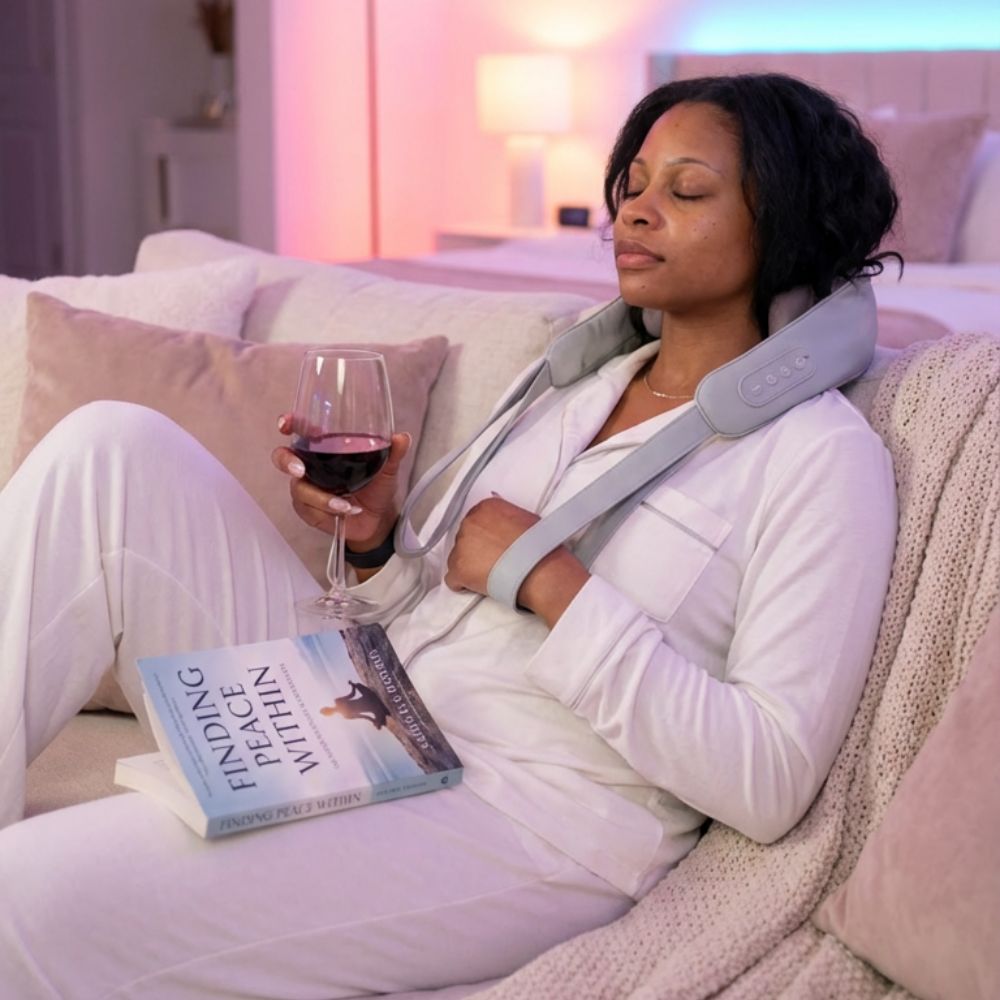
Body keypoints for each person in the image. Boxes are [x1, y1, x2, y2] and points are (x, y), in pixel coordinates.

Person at [0, 73, 899, 998]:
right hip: (381, 710)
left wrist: (554, 583)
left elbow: (769, 778)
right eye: (631, 185)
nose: (634, 212)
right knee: (110, 448)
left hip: (530, 812)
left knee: (22, 896)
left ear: (785, 222)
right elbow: (444, 606)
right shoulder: (575, 385)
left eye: (687, 190)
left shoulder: (818, 457)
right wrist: (377, 543)